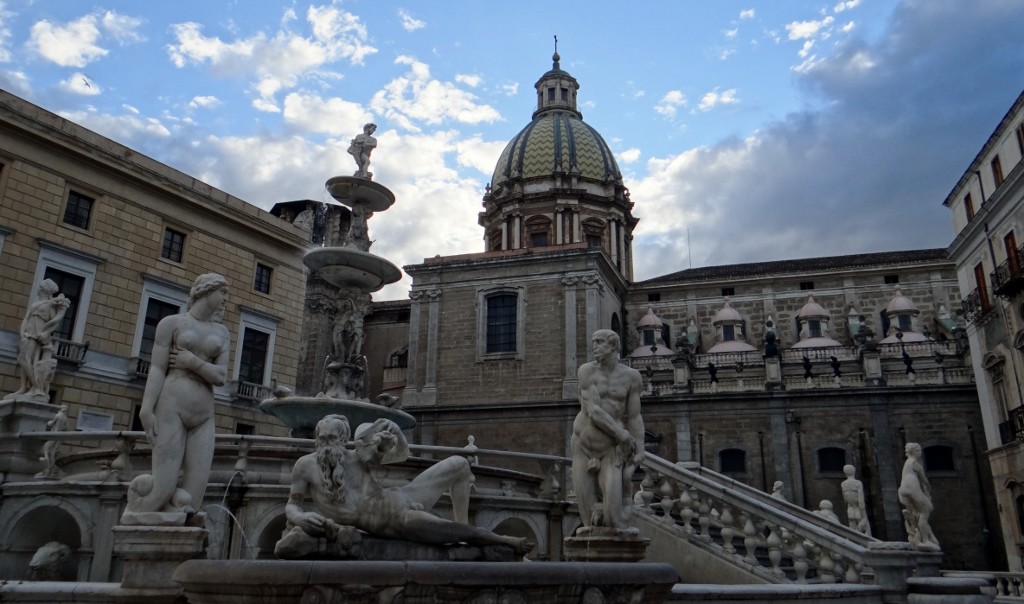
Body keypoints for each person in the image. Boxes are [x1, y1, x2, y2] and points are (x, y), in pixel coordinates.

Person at [278, 415, 530, 557]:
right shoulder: (304, 465)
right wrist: (300, 518)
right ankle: (504, 540)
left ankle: (466, 530)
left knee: (460, 464)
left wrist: (396, 433)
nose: (325, 444)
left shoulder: (357, 456)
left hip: (400, 498)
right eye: (321, 438)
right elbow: (292, 505)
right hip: (397, 520)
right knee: (454, 531)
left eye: (332, 438)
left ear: (343, 439)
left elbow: (400, 456)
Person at [123, 273, 230, 519]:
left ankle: (179, 535)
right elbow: (158, 368)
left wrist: (191, 361)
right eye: (222, 293)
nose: (226, 299)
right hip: (171, 407)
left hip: (204, 414)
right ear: (206, 291)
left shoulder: (223, 333)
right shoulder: (171, 324)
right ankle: (139, 517)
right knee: (161, 488)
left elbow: (221, 377)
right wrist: (146, 408)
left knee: (194, 497)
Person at [571, 329, 645, 532]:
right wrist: (621, 434)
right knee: (588, 525)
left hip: (611, 450)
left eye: (600, 342)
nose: (594, 346)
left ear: (613, 345)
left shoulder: (632, 377)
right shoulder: (586, 371)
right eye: (593, 341)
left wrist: (640, 448)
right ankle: (590, 562)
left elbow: (635, 416)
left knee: (615, 520)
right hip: (583, 447)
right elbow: (593, 410)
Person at [6, 279, 70, 400]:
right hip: (28, 332)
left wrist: (46, 332)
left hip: (37, 332)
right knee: (24, 358)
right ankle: (24, 388)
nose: (38, 288)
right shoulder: (36, 304)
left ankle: (36, 387)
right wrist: (22, 331)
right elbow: (26, 318)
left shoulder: (50, 305)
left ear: (43, 289)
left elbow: (55, 321)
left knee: (25, 358)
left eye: (40, 287)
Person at [897, 442, 940, 551]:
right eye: (918, 450)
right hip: (913, 489)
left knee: (918, 514)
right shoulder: (914, 462)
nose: (920, 452)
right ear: (912, 452)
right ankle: (925, 540)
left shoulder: (907, 462)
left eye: (920, 450)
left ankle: (926, 537)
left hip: (904, 489)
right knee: (925, 512)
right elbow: (923, 478)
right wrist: (928, 488)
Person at [841, 464, 872, 535]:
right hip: (859, 509)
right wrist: (864, 516)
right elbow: (861, 501)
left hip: (850, 509)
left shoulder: (843, 484)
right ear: (854, 471)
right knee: (866, 532)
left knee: (853, 533)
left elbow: (845, 500)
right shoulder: (858, 483)